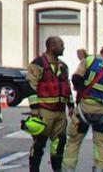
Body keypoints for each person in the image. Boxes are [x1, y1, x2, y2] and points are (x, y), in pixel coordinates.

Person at [63, 38, 103, 172]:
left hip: (83, 111)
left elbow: (76, 78)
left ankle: (68, 169)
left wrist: (80, 91)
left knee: (73, 143)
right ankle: (99, 169)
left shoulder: (90, 60)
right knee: (100, 145)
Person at [26, 37, 71, 172]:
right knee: (39, 143)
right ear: (52, 47)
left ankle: (57, 169)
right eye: (61, 45)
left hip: (60, 112)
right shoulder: (37, 64)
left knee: (59, 142)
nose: (64, 47)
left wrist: (71, 106)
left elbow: (66, 86)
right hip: (44, 110)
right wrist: (34, 108)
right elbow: (30, 86)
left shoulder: (63, 66)